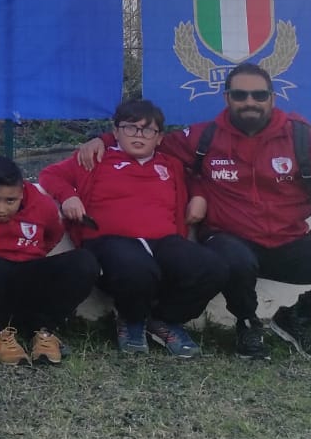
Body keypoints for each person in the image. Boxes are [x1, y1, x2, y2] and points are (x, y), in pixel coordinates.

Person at [80, 64, 311, 358]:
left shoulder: (302, 139)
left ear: (272, 99)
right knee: (232, 258)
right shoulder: (204, 137)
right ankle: (247, 324)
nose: (250, 101)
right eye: (240, 94)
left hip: (290, 242)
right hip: (230, 240)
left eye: (259, 95)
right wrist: (105, 140)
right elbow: (147, 141)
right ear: (227, 99)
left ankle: (297, 319)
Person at [41, 98, 224, 358]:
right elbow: (50, 175)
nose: (139, 135)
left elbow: (198, 177)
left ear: (159, 137)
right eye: (130, 128)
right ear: (115, 131)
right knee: (137, 269)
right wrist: (68, 196)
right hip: (110, 240)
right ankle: (131, 319)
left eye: (148, 130)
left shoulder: (169, 164)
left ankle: (163, 320)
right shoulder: (96, 157)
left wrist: (199, 196)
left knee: (212, 268)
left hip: (164, 240)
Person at [0, 157, 100, 367]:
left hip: (31, 275)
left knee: (84, 262)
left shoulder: (43, 205)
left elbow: (54, 234)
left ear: (22, 191)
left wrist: (32, 255)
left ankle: (44, 331)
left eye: (10, 200)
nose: (1, 209)